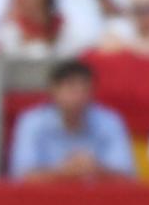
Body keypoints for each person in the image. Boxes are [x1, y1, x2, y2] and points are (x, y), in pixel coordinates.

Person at [9, 61, 137, 181]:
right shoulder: (32, 122)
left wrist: (97, 169)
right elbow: (21, 177)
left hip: (96, 201)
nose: (78, 95)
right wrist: (64, 172)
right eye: (71, 88)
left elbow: (127, 177)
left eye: (84, 89)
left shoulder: (110, 121)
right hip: (42, 201)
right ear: (53, 90)